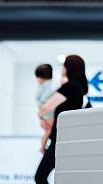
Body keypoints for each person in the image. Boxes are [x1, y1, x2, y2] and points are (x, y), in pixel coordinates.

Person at [34, 55, 88, 184]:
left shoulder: (70, 87)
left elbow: (45, 109)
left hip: (60, 141)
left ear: (69, 68)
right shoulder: (79, 88)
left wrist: (41, 115)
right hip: (68, 139)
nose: (62, 68)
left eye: (64, 65)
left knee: (40, 177)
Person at [34, 64, 54, 154]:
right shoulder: (48, 86)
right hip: (47, 114)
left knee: (47, 131)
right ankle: (42, 148)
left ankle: (42, 148)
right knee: (48, 131)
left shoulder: (45, 87)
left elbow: (43, 101)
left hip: (47, 114)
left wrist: (42, 117)